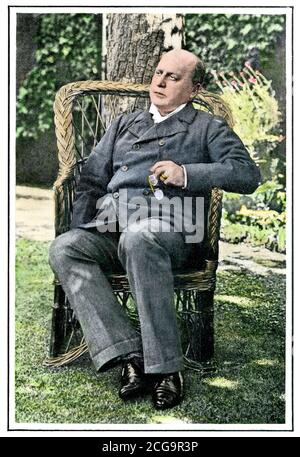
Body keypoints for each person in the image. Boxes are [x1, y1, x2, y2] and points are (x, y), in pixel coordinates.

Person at [49, 49, 261, 410]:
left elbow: (247, 174)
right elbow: (90, 182)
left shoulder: (206, 127)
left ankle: (166, 370)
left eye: (173, 77)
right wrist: (81, 227)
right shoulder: (125, 125)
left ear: (194, 89)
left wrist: (188, 173)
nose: (160, 82)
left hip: (172, 230)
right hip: (113, 225)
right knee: (65, 247)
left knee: (140, 237)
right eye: (158, 73)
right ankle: (128, 354)